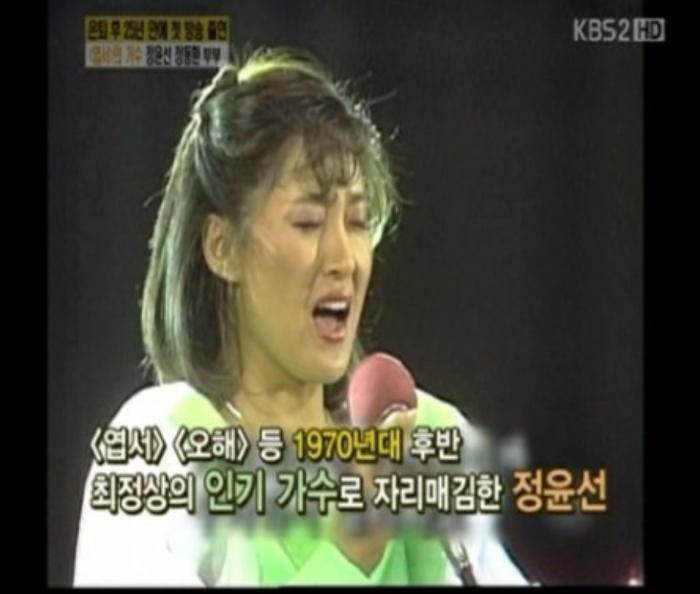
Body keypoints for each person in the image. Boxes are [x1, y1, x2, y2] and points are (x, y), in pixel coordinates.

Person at [73, 47, 529, 586]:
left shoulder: (424, 436)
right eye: (309, 222)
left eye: (357, 221)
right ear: (222, 247)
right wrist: (354, 548)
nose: (344, 259)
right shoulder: (164, 447)